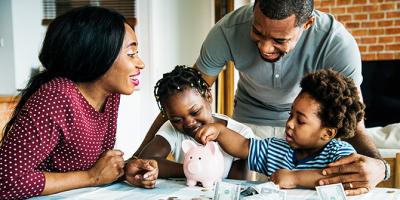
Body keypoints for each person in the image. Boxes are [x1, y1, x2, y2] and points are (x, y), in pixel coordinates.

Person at [134, 0, 388, 196]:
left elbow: (352, 122)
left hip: (310, 125)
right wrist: (137, 159)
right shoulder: (226, 31)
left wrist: (380, 167)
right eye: (257, 31)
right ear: (254, 8)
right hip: (249, 125)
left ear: (307, 24)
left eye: (280, 40)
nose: (265, 48)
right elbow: (184, 95)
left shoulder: (336, 44)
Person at [0, 6, 158, 199]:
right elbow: (6, 181)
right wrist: (91, 177)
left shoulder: (110, 96)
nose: (141, 63)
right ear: (98, 53)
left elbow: (96, 167)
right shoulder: (57, 96)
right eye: (131, 53)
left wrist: (124, 170)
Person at [196, 69, 366, 192]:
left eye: (300, 120)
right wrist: (219, 131)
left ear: (327, 133)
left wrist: (294, 177)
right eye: (290, 114)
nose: (290, 123)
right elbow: (242, 146)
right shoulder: (276, 149)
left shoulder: (339, 154)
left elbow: (344, 178)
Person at [138, 66, 254, 180]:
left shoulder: (241, 134)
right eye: (177, 120)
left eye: (195, 112)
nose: (189, 123)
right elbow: (145, 161)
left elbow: (238, 184)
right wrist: (190, 170)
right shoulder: (172, 128)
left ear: (208, 96)